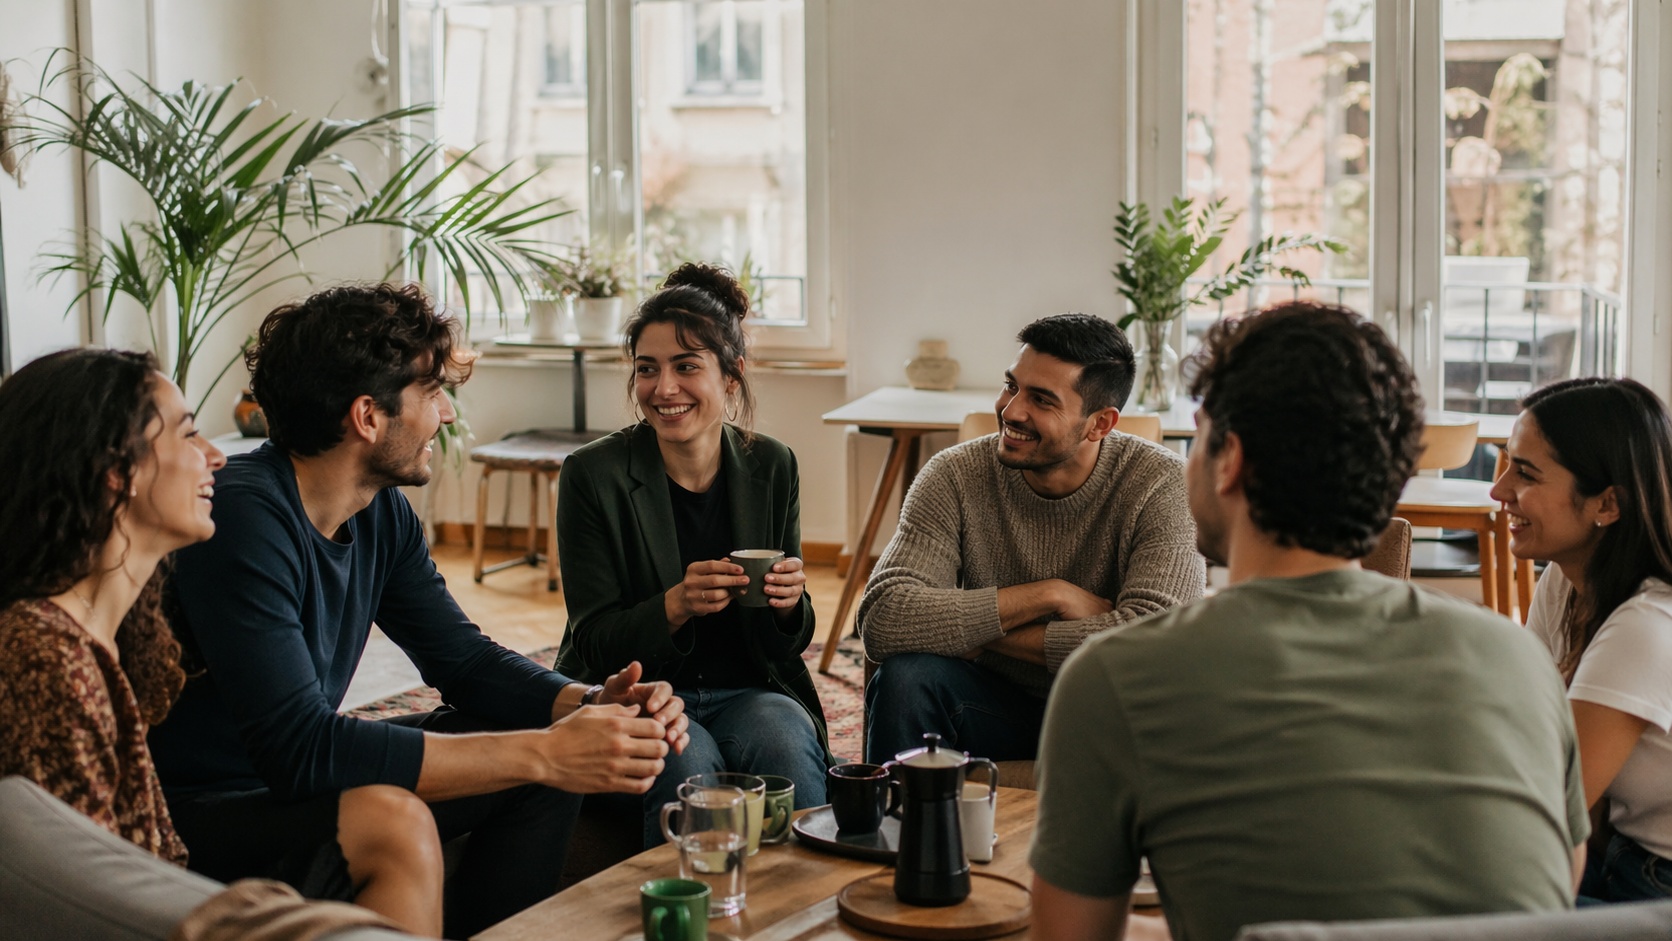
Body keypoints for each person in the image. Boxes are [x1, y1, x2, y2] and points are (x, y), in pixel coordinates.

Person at [1030, 302, 1589, 941]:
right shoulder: (1519, 658)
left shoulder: (1118, 674)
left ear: (1230, 459)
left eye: (1198, 439)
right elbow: (1556, 889)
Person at [149, 283, 689, 940]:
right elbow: (301, 749)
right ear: (368, 417)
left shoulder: (379, 513)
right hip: (209, 814)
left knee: (531, 745)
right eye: (433, 395)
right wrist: (543, 752)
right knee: (536, 757)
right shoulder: (242, 517)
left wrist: (588, 703)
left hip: (293, 786)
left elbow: (461, 659)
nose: (448, 417)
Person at [555, 263, 830, 848]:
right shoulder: (592, 475)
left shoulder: (772, 465)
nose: (664, 388)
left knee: (786, 740)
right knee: (687, 764)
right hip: (643, 690)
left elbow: (792, 638)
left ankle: (807, 913)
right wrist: (674, 606)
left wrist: (787, 605)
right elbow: (592, 641)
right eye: (647, 369)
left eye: (686, 367)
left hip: (750, 687)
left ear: (731, 377)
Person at [858, 313, 1204, 764]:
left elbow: (1157, 647)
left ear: (1100, 423)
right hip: (993, 705)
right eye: (1012, 385)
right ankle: (898, 831)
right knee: (907, 678)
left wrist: (976, 633)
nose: (1012, 409)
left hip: (1110, 718)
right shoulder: (954, 474)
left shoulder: (1164, 484)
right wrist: (1049, 595)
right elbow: (885, 618)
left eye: (1041, 400)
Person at [0, 348, 224, 865]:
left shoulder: (113, 631)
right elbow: (80, 896)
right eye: (189, 434)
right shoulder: (45, 657)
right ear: (116, 469)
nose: (216, 455)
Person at [1490, 377, 1672, 903]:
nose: (1499, 490)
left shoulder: (1647, 625)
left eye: (1525, 473)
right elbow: (1541, 744)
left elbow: (1547, 808)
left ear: (1608, 504)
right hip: (1615, 851)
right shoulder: (1564, 583)